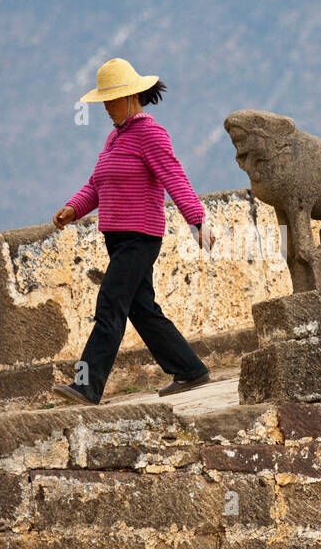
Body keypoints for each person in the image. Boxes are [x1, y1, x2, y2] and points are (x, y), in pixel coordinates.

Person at [51, 57, 216, 406]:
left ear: (131, 97)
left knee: (110, 304)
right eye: (105, 102)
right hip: (118, 238)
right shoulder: (116, 138)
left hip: (140, 236)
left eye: (112, 101)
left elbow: (174, 177)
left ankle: (86, 385)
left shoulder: (150, 134)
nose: (108, 108)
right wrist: (73, 208)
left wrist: (197, 221)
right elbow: (97, 185)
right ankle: (189, 369)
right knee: (142, 309)